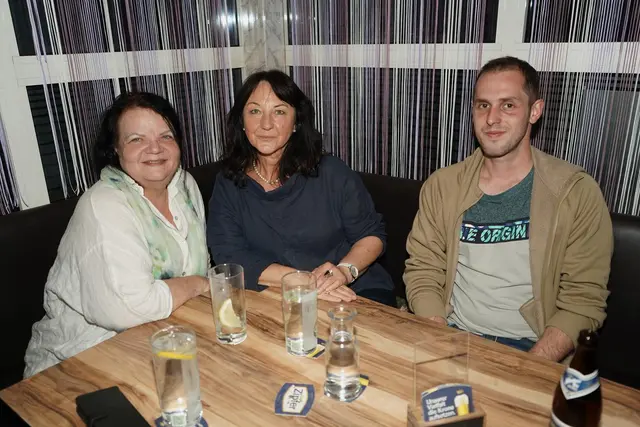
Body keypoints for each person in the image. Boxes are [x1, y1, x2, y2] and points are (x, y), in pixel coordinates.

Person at [403, 56, 613, 362]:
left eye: (508, 105)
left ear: (534, 111)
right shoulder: (443, 185)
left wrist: (530, 367)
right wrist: (439, 340)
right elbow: (423, 270)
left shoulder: (575, 192)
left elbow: (583, 300)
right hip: (452, 332)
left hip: (532, 347)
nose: (492, 118)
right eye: (483, 105)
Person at [24, 92, 209, 377]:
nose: (155, 148)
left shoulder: (185, 186)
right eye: (136, 139)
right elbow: (130, 307)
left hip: (166, 341)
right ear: (115, 149)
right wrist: (197, 284)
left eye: (166, 136)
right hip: (80, 361)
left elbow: (201, 264)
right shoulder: (105, 204)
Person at [207, 70, 395, 306]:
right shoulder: (228, 182)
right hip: (277, 296)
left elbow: (371, 235)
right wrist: (305, 282)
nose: (266, 124)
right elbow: (229, 255)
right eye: (255, 111)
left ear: (296, 122)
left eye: (279, 111)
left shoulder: (330, 172)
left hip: (352, 291)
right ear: (241, 121)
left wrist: (345, 271)